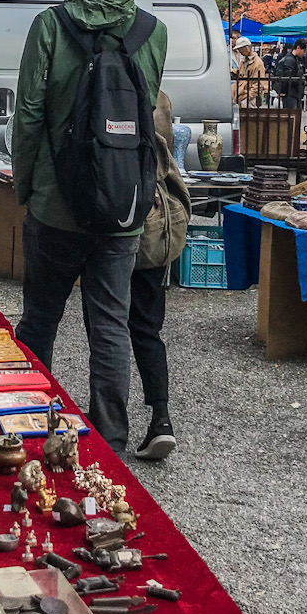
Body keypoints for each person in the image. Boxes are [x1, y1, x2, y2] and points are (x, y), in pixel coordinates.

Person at [11, 0, 167, 452]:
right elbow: (144, 114)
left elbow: (28, 116)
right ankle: (110, 446)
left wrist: (26, 186)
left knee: (40, 319)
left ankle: (29, 425)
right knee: (110, 326)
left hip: (56, 204)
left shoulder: (50, 25)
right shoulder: (153, 31)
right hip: (123, 205)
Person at [85, 91, 191, 460]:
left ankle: (107, 422)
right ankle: (161, 419)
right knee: (147, 329)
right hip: (155, 228)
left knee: (106, 325)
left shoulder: (108, 94)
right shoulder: (156, 97)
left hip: (117, 229)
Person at [272, 38, 307, 107]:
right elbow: (288, 78)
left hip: (293, 93)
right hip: (290, 94)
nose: (304, 53)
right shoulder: (290, 60)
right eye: (304, 50)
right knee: (291, 111)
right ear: (298, 47)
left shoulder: (295, 59)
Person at [231, 35, 266, 104]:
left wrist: (249, 97)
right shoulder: (243, 60)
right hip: (240, 95)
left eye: (241, 49)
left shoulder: (258, 63)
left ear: (247, 48)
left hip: (249, 97)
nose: (240, 51)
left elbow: (258, 84)